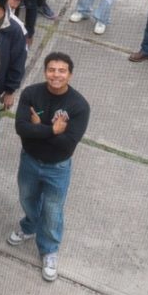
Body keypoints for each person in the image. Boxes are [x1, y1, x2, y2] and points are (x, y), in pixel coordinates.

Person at [11, 52, 90, 283]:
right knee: (27, 198)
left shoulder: (79, 106)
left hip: (58, 166)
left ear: (70, 75)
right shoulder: (30, 93)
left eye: (62, 70)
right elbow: (21, 128)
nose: (56, 75)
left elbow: (68, 143)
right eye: (52, 70)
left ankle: (49, 250)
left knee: (53, 210)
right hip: (29, 159)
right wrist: (52, 130)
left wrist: (39, 128)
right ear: (45, 71)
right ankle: (30, 226)